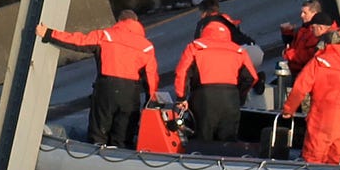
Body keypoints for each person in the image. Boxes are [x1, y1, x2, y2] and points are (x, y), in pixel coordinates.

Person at [36, 9, 160, 149]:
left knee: (98, 136)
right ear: (136, 23)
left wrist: (48, 33)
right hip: (131, 95)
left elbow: (77, 41)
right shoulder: (146, 46)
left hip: (106, 89)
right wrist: (151, 102)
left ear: (119, 21)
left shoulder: (105, 35)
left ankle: (96, 152)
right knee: (123, 139)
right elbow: (151, 78)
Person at [281, 10, 340, 165]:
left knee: (314, 157)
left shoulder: (320, 61)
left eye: (313, 29)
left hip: (322, 117)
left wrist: (288, 109)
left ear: (320, 29)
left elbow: (301, 86)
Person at [174, 21, 261, 141]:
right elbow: (251, 77)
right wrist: (239, 96)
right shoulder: (238, 50)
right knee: (228, 143)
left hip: (204, 98)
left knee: (202, 140)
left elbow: (182, 72)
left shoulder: (195, 47)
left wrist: (181, 98)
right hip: (230, 98)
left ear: (204, 32)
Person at [280, 0, 328, 76]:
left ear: (314, 14)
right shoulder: (304, 29)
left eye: (305, 13)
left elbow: (308, 56)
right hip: (296, 70)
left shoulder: (315, 32)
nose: (301, 15)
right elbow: (294, 44)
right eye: (302, 12)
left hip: (305, 73)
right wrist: (287, 33)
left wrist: (289, 53)